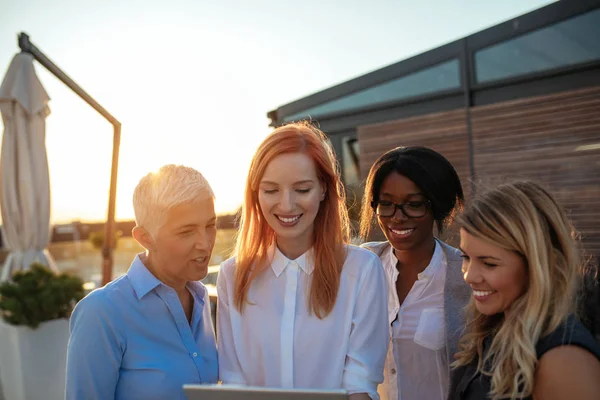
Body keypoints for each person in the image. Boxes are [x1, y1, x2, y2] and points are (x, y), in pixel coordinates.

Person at [217, 121, 389, 400]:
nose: (286, 205)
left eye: (302, 189)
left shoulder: (362, 271)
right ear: (255, 193)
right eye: (271, 190)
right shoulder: (233, 275)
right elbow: (233, 380)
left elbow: (360, 385)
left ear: (323, 189)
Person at [66, 165, 219, 400]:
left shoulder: (201, 300)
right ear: (145, 238)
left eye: (210, 226)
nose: (205, 243)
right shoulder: (102, 313)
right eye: (186, 232)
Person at [451, 181, 600, 400]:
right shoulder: (494, 331)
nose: (469, 276)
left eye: (489, 264)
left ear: (537, 265)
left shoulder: (563, 361)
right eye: (466, 257)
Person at [359, 146, 471, 400]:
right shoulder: (362, 266)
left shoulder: (467, 276)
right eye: (386, 204)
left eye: (414, 204)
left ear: (438, 207)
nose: (397, 217)